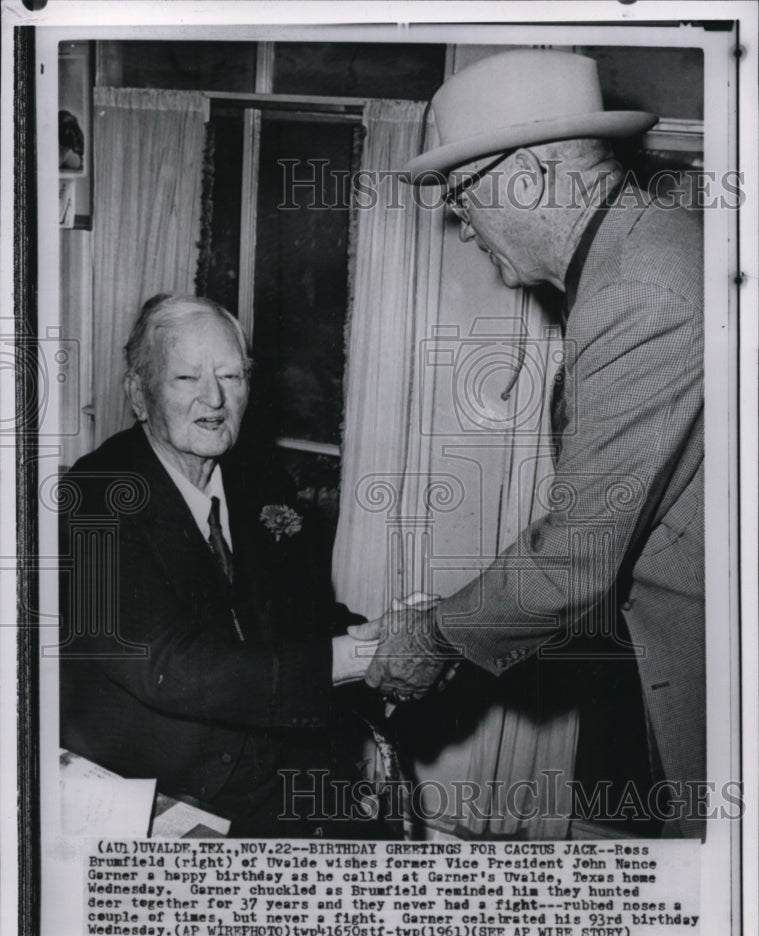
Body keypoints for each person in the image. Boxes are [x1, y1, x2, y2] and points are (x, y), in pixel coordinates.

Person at [350, 49, 704, 837]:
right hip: (644, 661)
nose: (461, 224)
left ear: (530, 176)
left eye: (462, 197)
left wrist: (434, 634)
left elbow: (575, 558)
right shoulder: (634, 254)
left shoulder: (638, 287)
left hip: (692, 674)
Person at [59, 294, 372, 836]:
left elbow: (301, 615)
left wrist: (389, 639)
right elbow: (172, 667)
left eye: (231, 376)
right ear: (139, 394)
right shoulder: (95, 498)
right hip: (158, 793)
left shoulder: (260, 483)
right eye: (186, 378)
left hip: (277, 775)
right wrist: (352, 658)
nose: (214, 398)